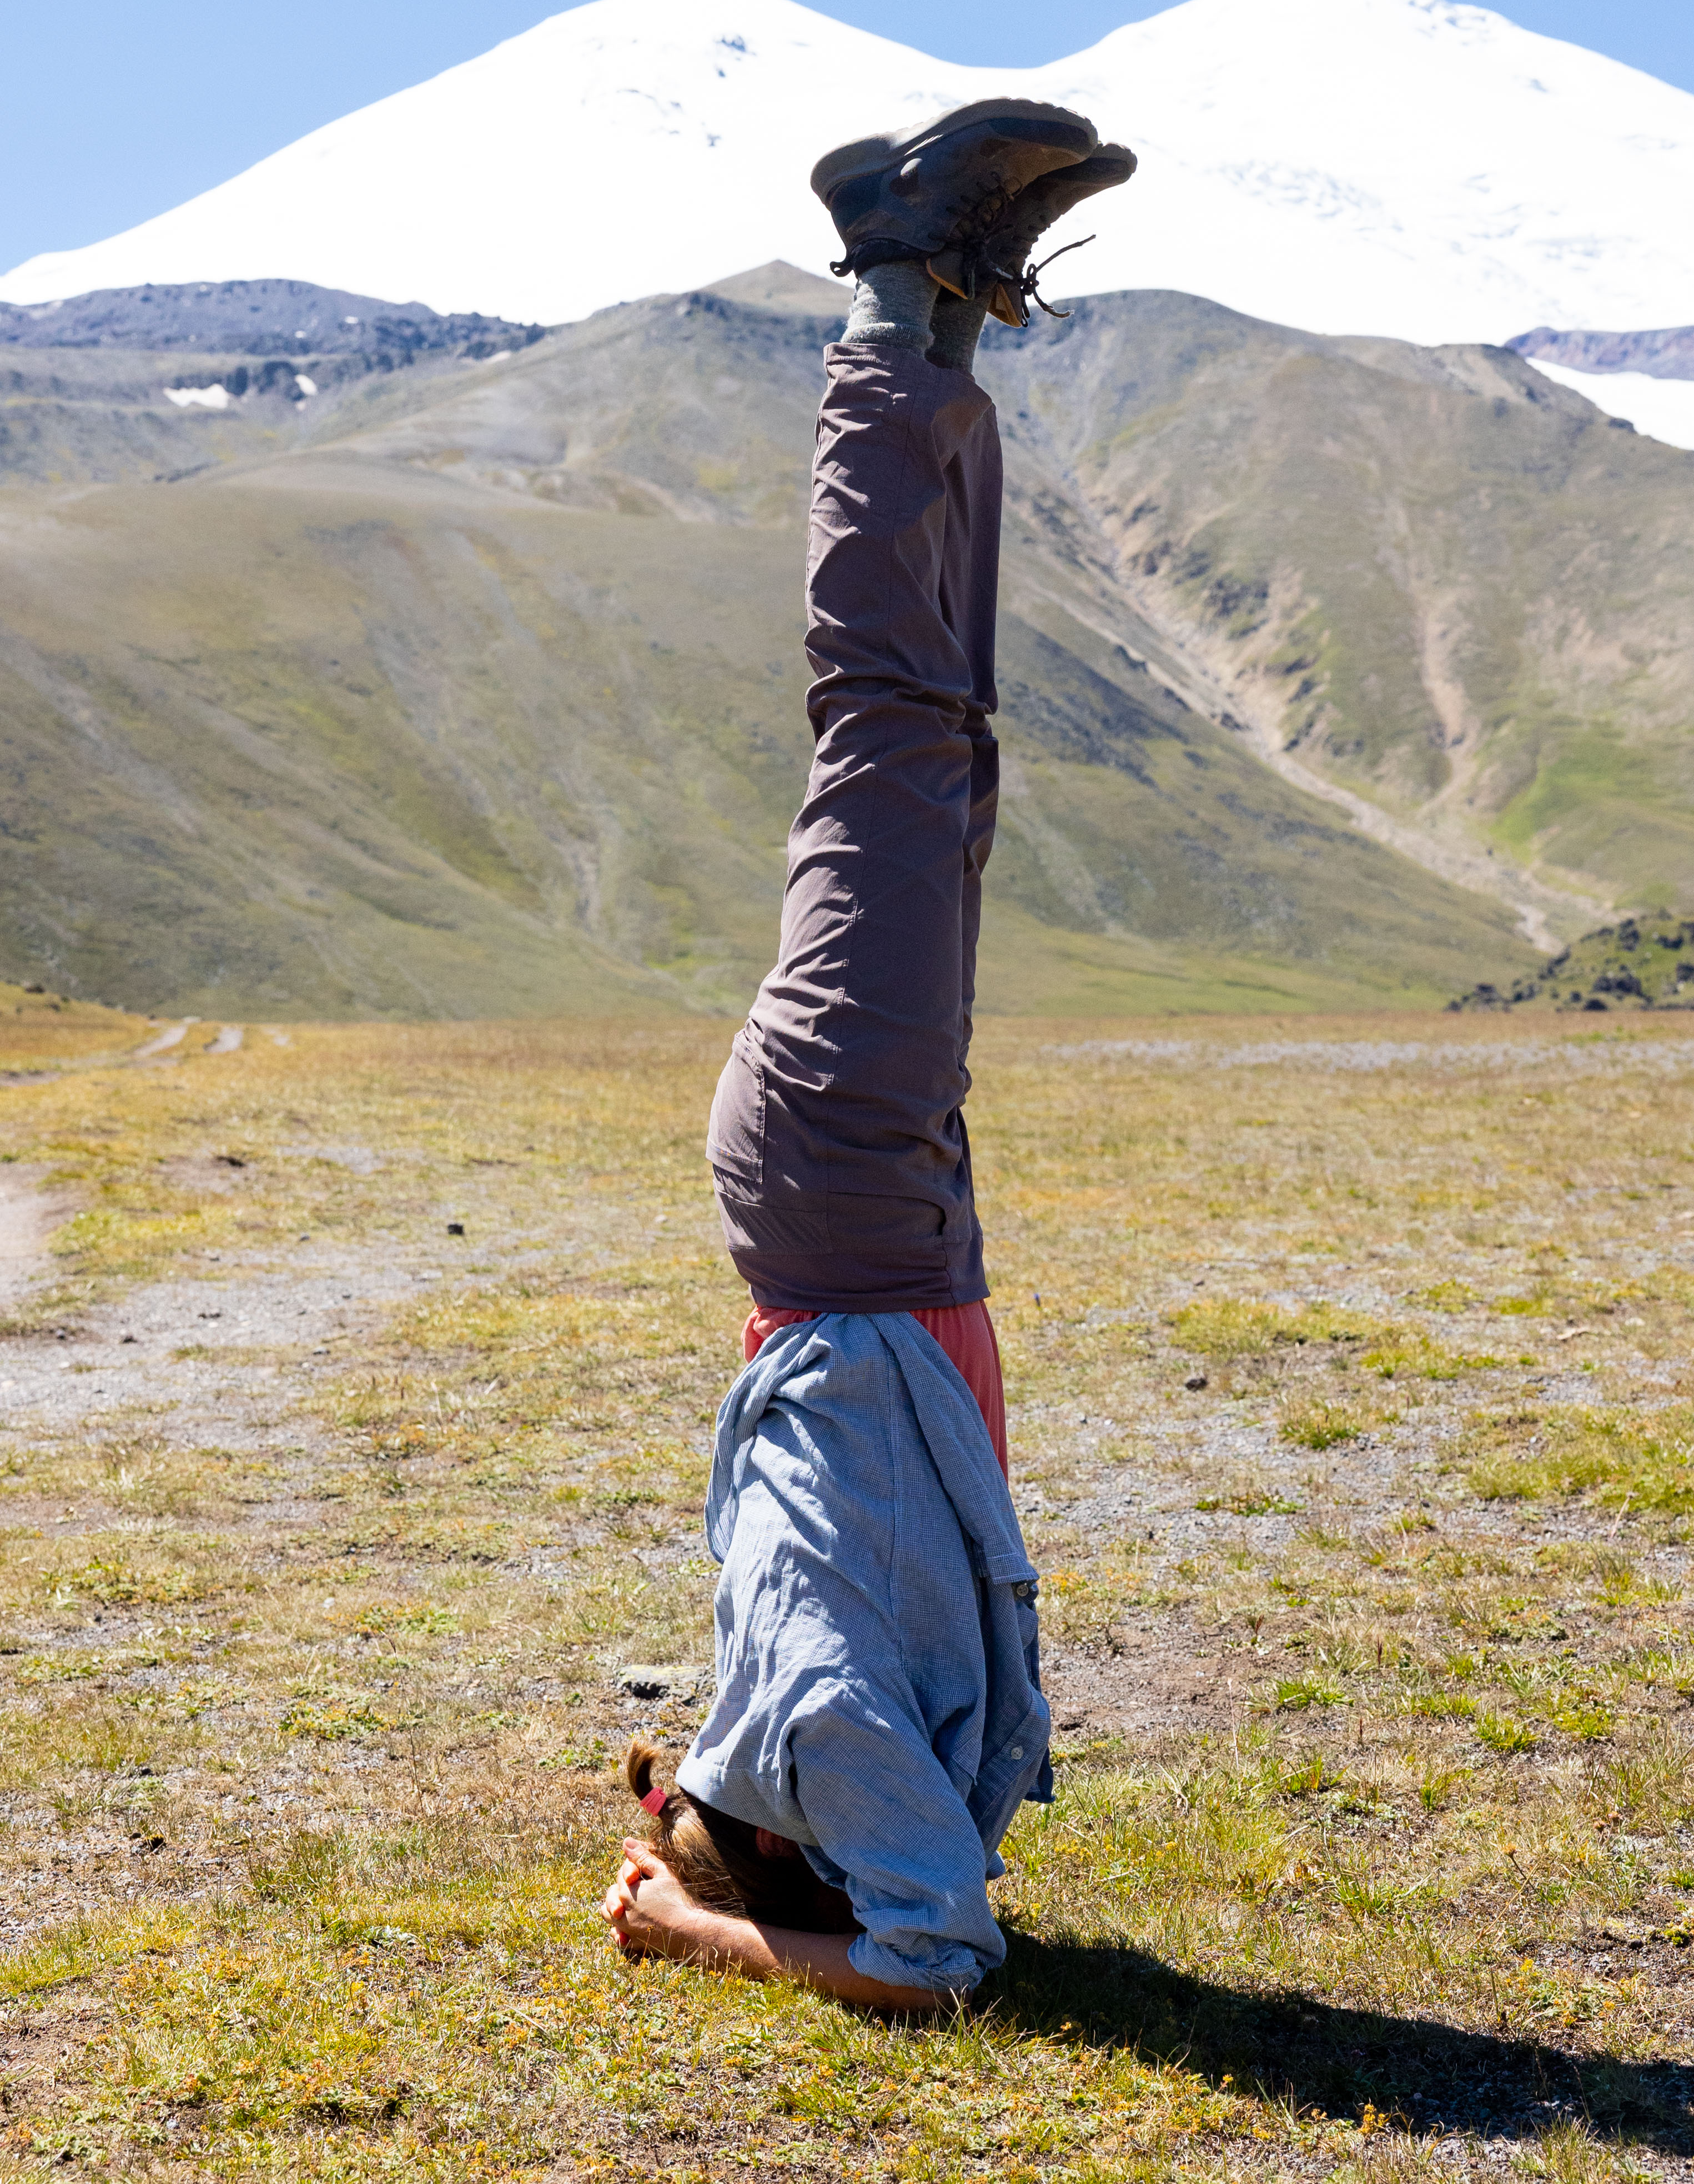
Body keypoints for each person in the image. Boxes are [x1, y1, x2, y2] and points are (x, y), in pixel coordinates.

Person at [600, 101, 1137, 2009]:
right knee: (945, 753)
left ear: (800, 1833)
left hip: (843, 1195)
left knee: (889, 732)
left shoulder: (817, 1708)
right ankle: (950, 305)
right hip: (882, 1215)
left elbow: (938, 1961)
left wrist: (687, 1923)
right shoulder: (849, 1727)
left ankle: (889, 284)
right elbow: (928, 1897)